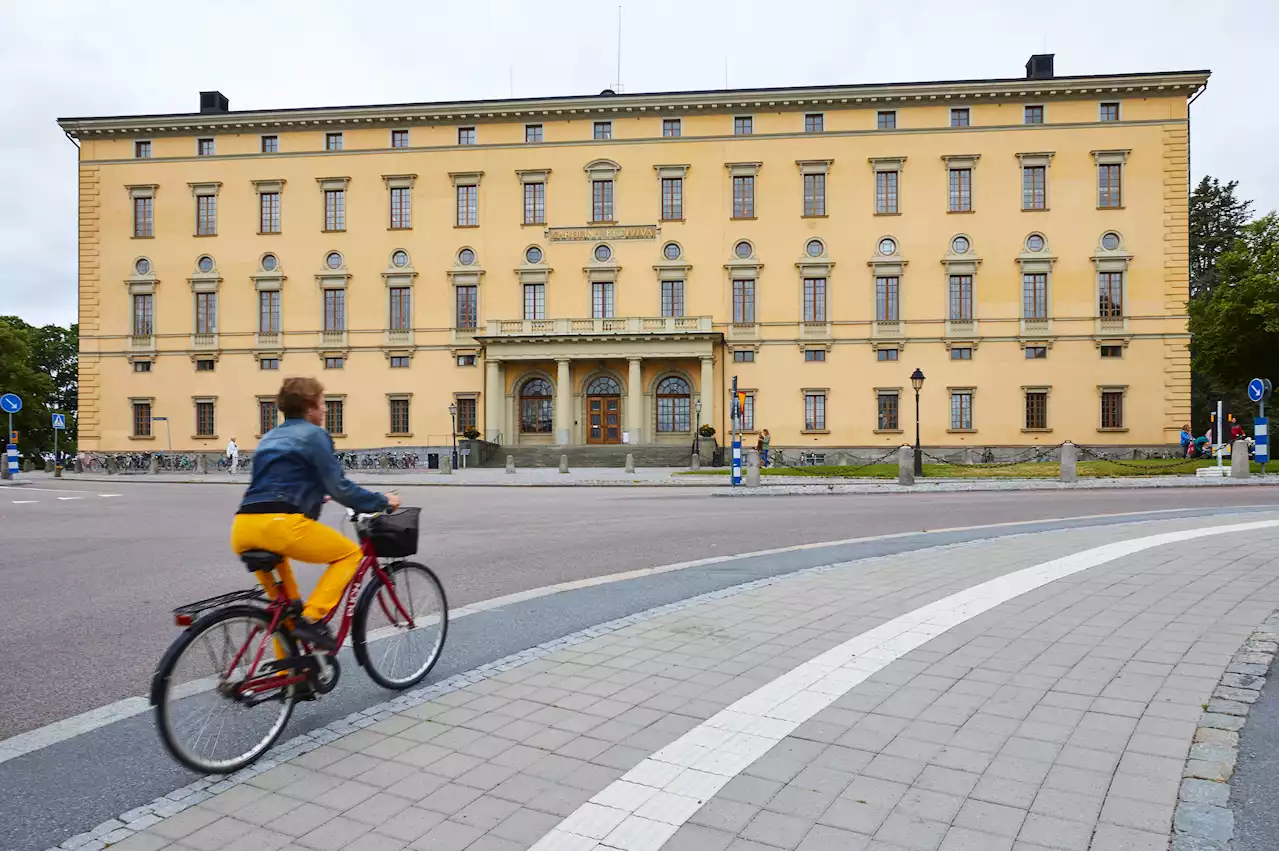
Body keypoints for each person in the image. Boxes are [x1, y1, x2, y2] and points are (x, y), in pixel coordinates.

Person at [231, 378, 400, 649]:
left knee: (286, 614)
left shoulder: (269, 437)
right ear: (309, 407)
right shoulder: (314, 434)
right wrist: (382, 501)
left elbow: (272, 484)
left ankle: (290, 678)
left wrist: (313, 493)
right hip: (281, 527)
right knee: (350, 555)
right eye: (323, 403)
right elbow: (342, 487)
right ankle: (314, 618)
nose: (326, 410)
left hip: (243, 528)